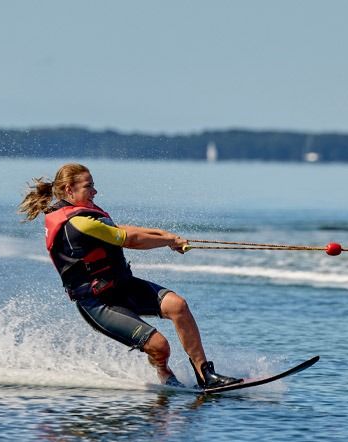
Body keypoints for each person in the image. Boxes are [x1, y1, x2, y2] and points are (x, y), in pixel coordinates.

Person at [18, 163, 241, 390]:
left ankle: (205, 375)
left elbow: (119, 229)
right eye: (89, 186)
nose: (95, 191)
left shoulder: (84, 214)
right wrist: (167, 242)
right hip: (99, 303)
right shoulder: (76, 222)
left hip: (123, 287)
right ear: (69, 190)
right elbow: (128, 240)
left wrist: (164, 235)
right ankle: (164, 373)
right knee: (160, 346)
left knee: (178, 306)